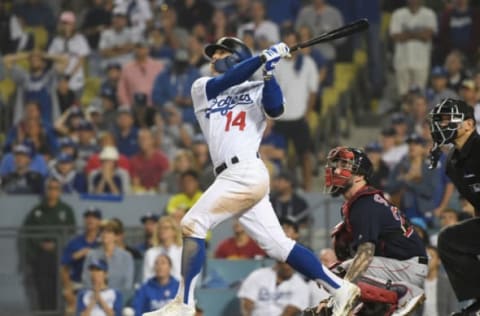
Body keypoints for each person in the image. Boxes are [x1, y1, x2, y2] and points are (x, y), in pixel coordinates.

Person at [144, 37, 360, 316]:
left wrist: (269, 73)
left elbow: (276, 109)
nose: (214, 58)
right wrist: (260, 59)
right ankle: (340, 289)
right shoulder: (202, 88)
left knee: (193, 222)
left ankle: (184, 305)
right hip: (232, 175)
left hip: (245, 170)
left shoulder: (257, 87)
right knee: (278, 245)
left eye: (221, 52)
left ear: (236, 56)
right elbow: (229, 80)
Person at [320, 146, 428, 315]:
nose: (337, 169)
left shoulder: (365, 202)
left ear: (360, 175)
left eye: (344, 165)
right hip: (394, 265)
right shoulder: (360, 201)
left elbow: (365, 253)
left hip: (407, 267)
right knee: (335, 274)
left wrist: (341, 294)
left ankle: (404, 293)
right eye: (336, 164)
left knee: (338, 274)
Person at [427, 98, 480, 315]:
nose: (443, 125)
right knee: (449, 239)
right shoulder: (452, 161)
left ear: (469, 124)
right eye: (441, 120)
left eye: (449, 119)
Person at [21, 177, 76, 311]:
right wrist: (40, 244)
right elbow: (27, 232)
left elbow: (71, 232)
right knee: (42, 288)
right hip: (40, 257)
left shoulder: (66, 210)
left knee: (59, 289)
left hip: (60, 257)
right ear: (46, 190)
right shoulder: (37, 211)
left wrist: (57, 245)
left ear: (60, 191)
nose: (53, 192)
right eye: (50, 188)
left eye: (56, 189)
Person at [61, 207, 102, 314]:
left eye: (94, 217)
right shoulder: (75, 242)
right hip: (78, 285)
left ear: (99, 221)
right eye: (88, 217)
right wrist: (67, 289)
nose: (90, 220)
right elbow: (64, 266)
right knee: (71, 311)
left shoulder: (104, 240)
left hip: (101, 285)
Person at [82, 219, 134, 293]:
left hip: (119, 300)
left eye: (109, 232)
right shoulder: (92, 255)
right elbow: (86, 280)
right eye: (102, 232)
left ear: (116, 236)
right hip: (94, 298)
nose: (104, 234)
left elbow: (128, 284)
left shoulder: (126, 257)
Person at [420, 246, 458, 316]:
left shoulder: (448, 283)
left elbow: (453, 309)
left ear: (438, 261)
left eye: (431, 256)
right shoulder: (416, 283)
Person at [143, 216, 183, 282]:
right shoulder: (150, 253)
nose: (162, 231)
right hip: (155, 289)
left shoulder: (183, 252)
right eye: (160, 228)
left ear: (175, 231)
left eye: (166, 228)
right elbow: (147, 277)